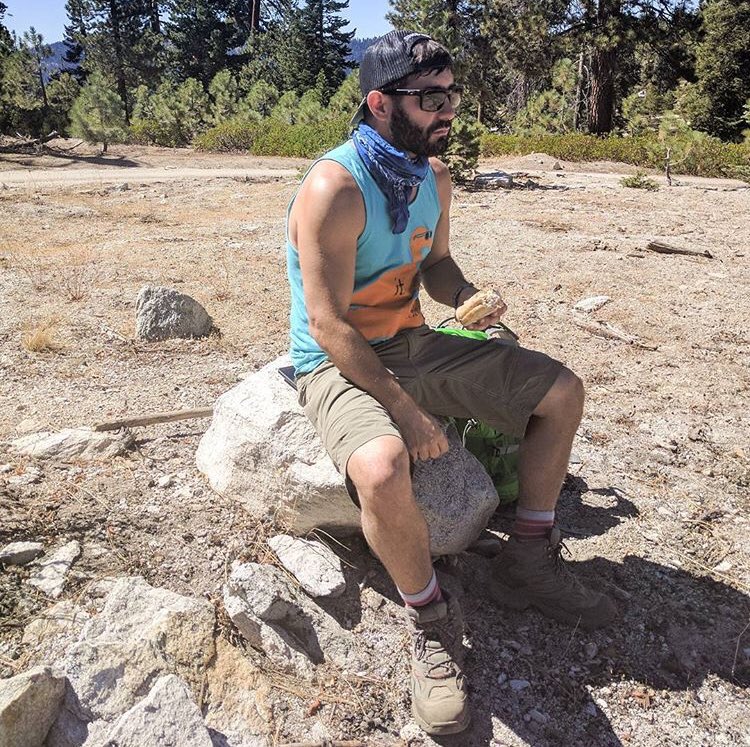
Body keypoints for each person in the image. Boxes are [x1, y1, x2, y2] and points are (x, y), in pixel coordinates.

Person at [285, 30, 616, 736]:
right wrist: (403, 409)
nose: (448, 111)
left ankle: (527, 556)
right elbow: (328, 325)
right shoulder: (335, 187)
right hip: (341, 359)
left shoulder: (431, 176)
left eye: (452, 95)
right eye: (430, 97)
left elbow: (436, 264)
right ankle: (430, 621)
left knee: (562, 391)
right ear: (379, 103)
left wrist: (469, 294)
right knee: (381, 466)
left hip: (411, 341)